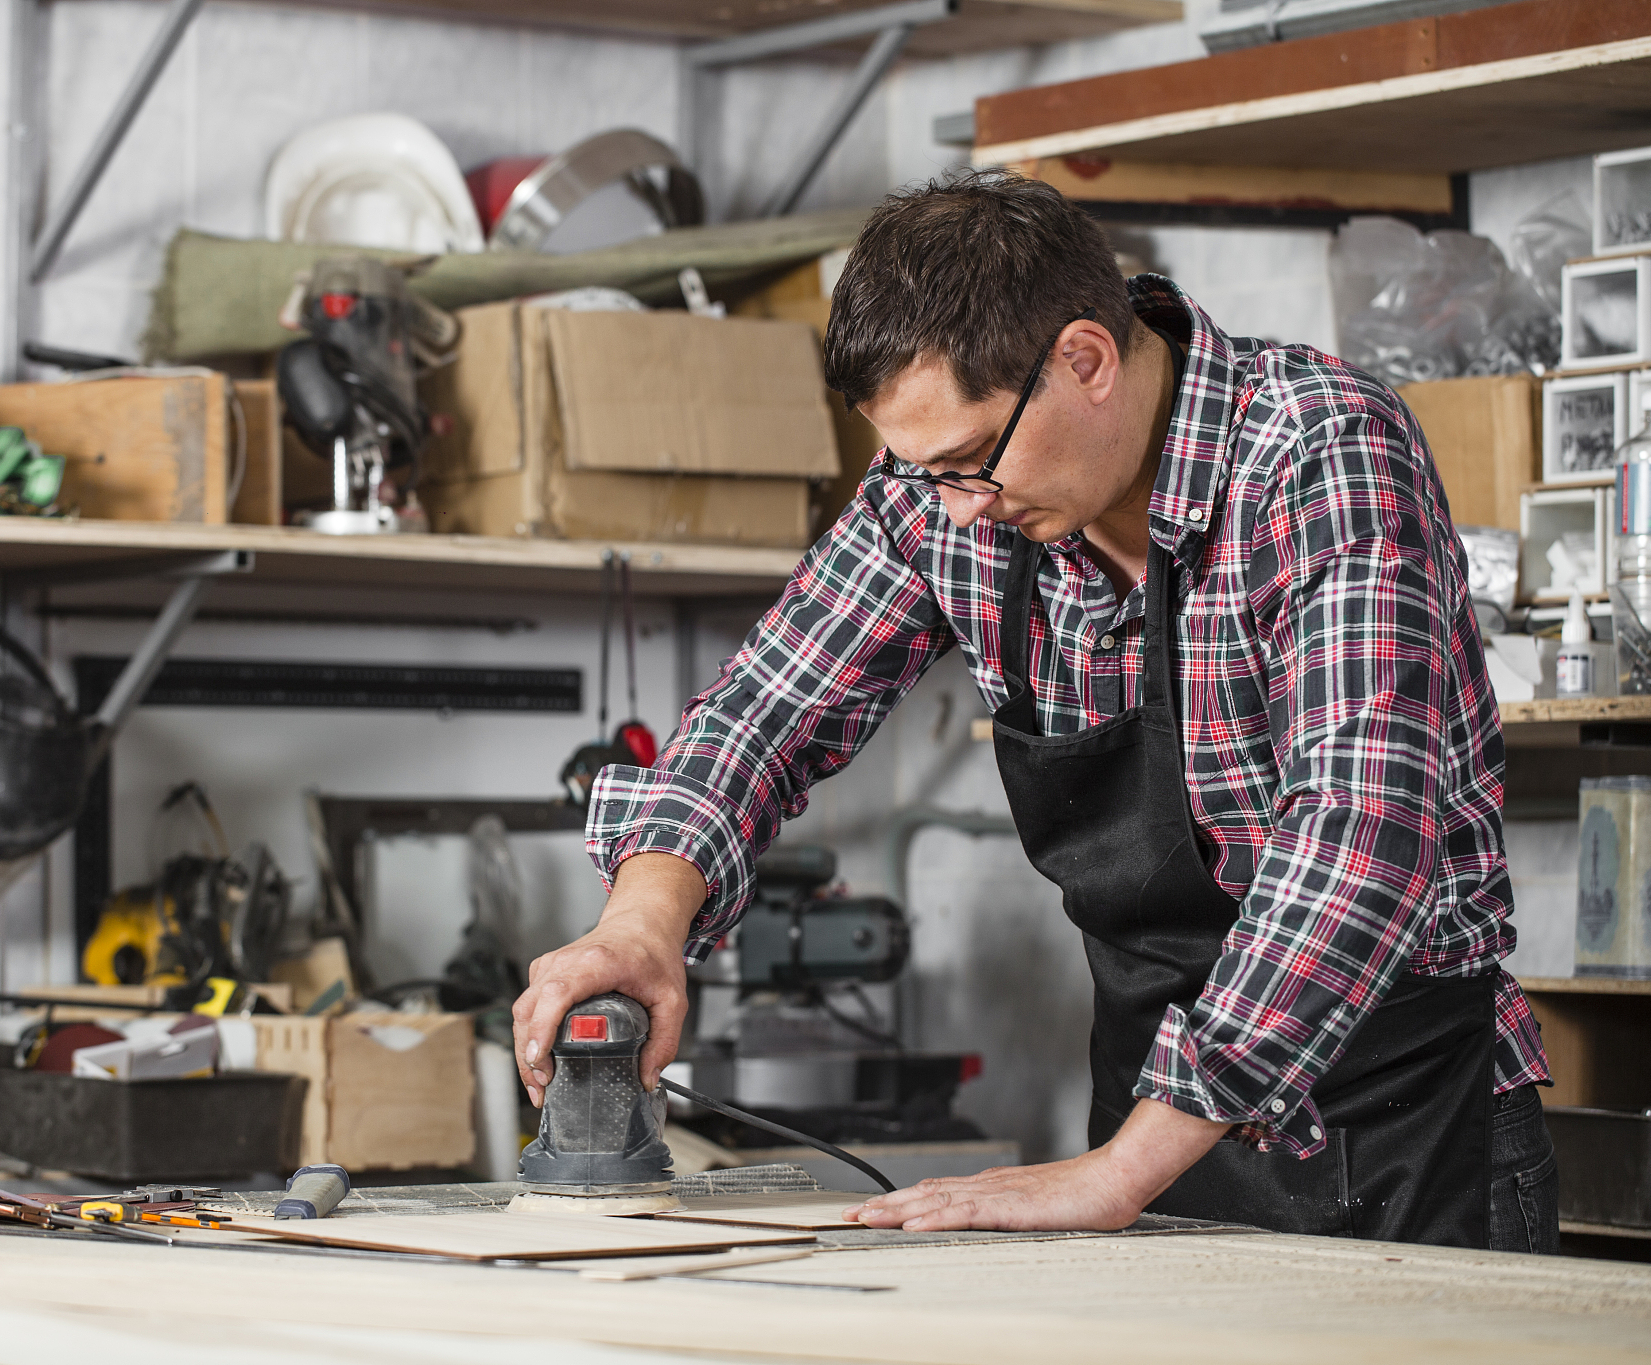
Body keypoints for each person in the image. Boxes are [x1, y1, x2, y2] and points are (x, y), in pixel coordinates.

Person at [511, 169, 1558, 1252]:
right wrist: (641, 925)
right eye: (925, 472)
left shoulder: (1318, 452)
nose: (958, 505)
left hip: (1395, 1134)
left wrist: (1114, 1176)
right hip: (1145, 1137)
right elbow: (761, 715)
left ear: (1084, 360)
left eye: (967, 462)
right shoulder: (945, 493)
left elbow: (1355, 844)